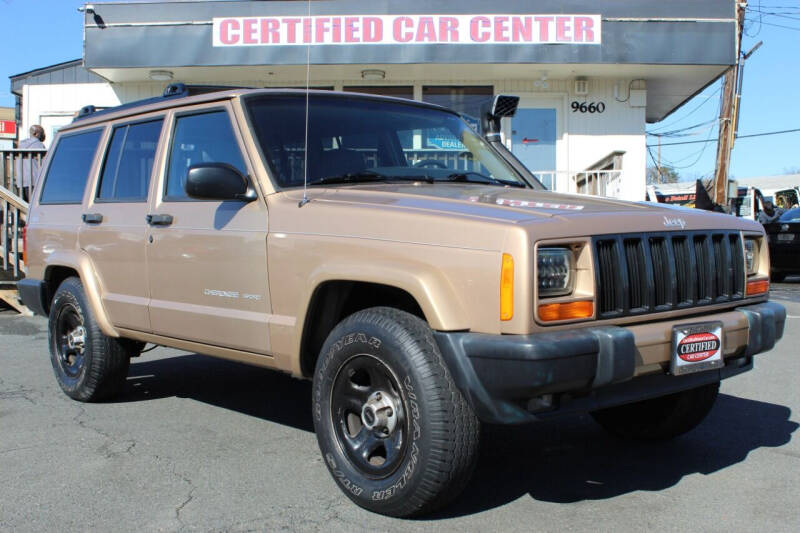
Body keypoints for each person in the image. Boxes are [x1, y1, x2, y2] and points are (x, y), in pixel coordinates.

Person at [16, 125, 46, 201]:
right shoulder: (39, 145)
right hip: (33, 181)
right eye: (41, 133)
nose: (43, 135)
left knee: (22, 205)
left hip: (20, 181)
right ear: (36, 134)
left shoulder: (21, 145)